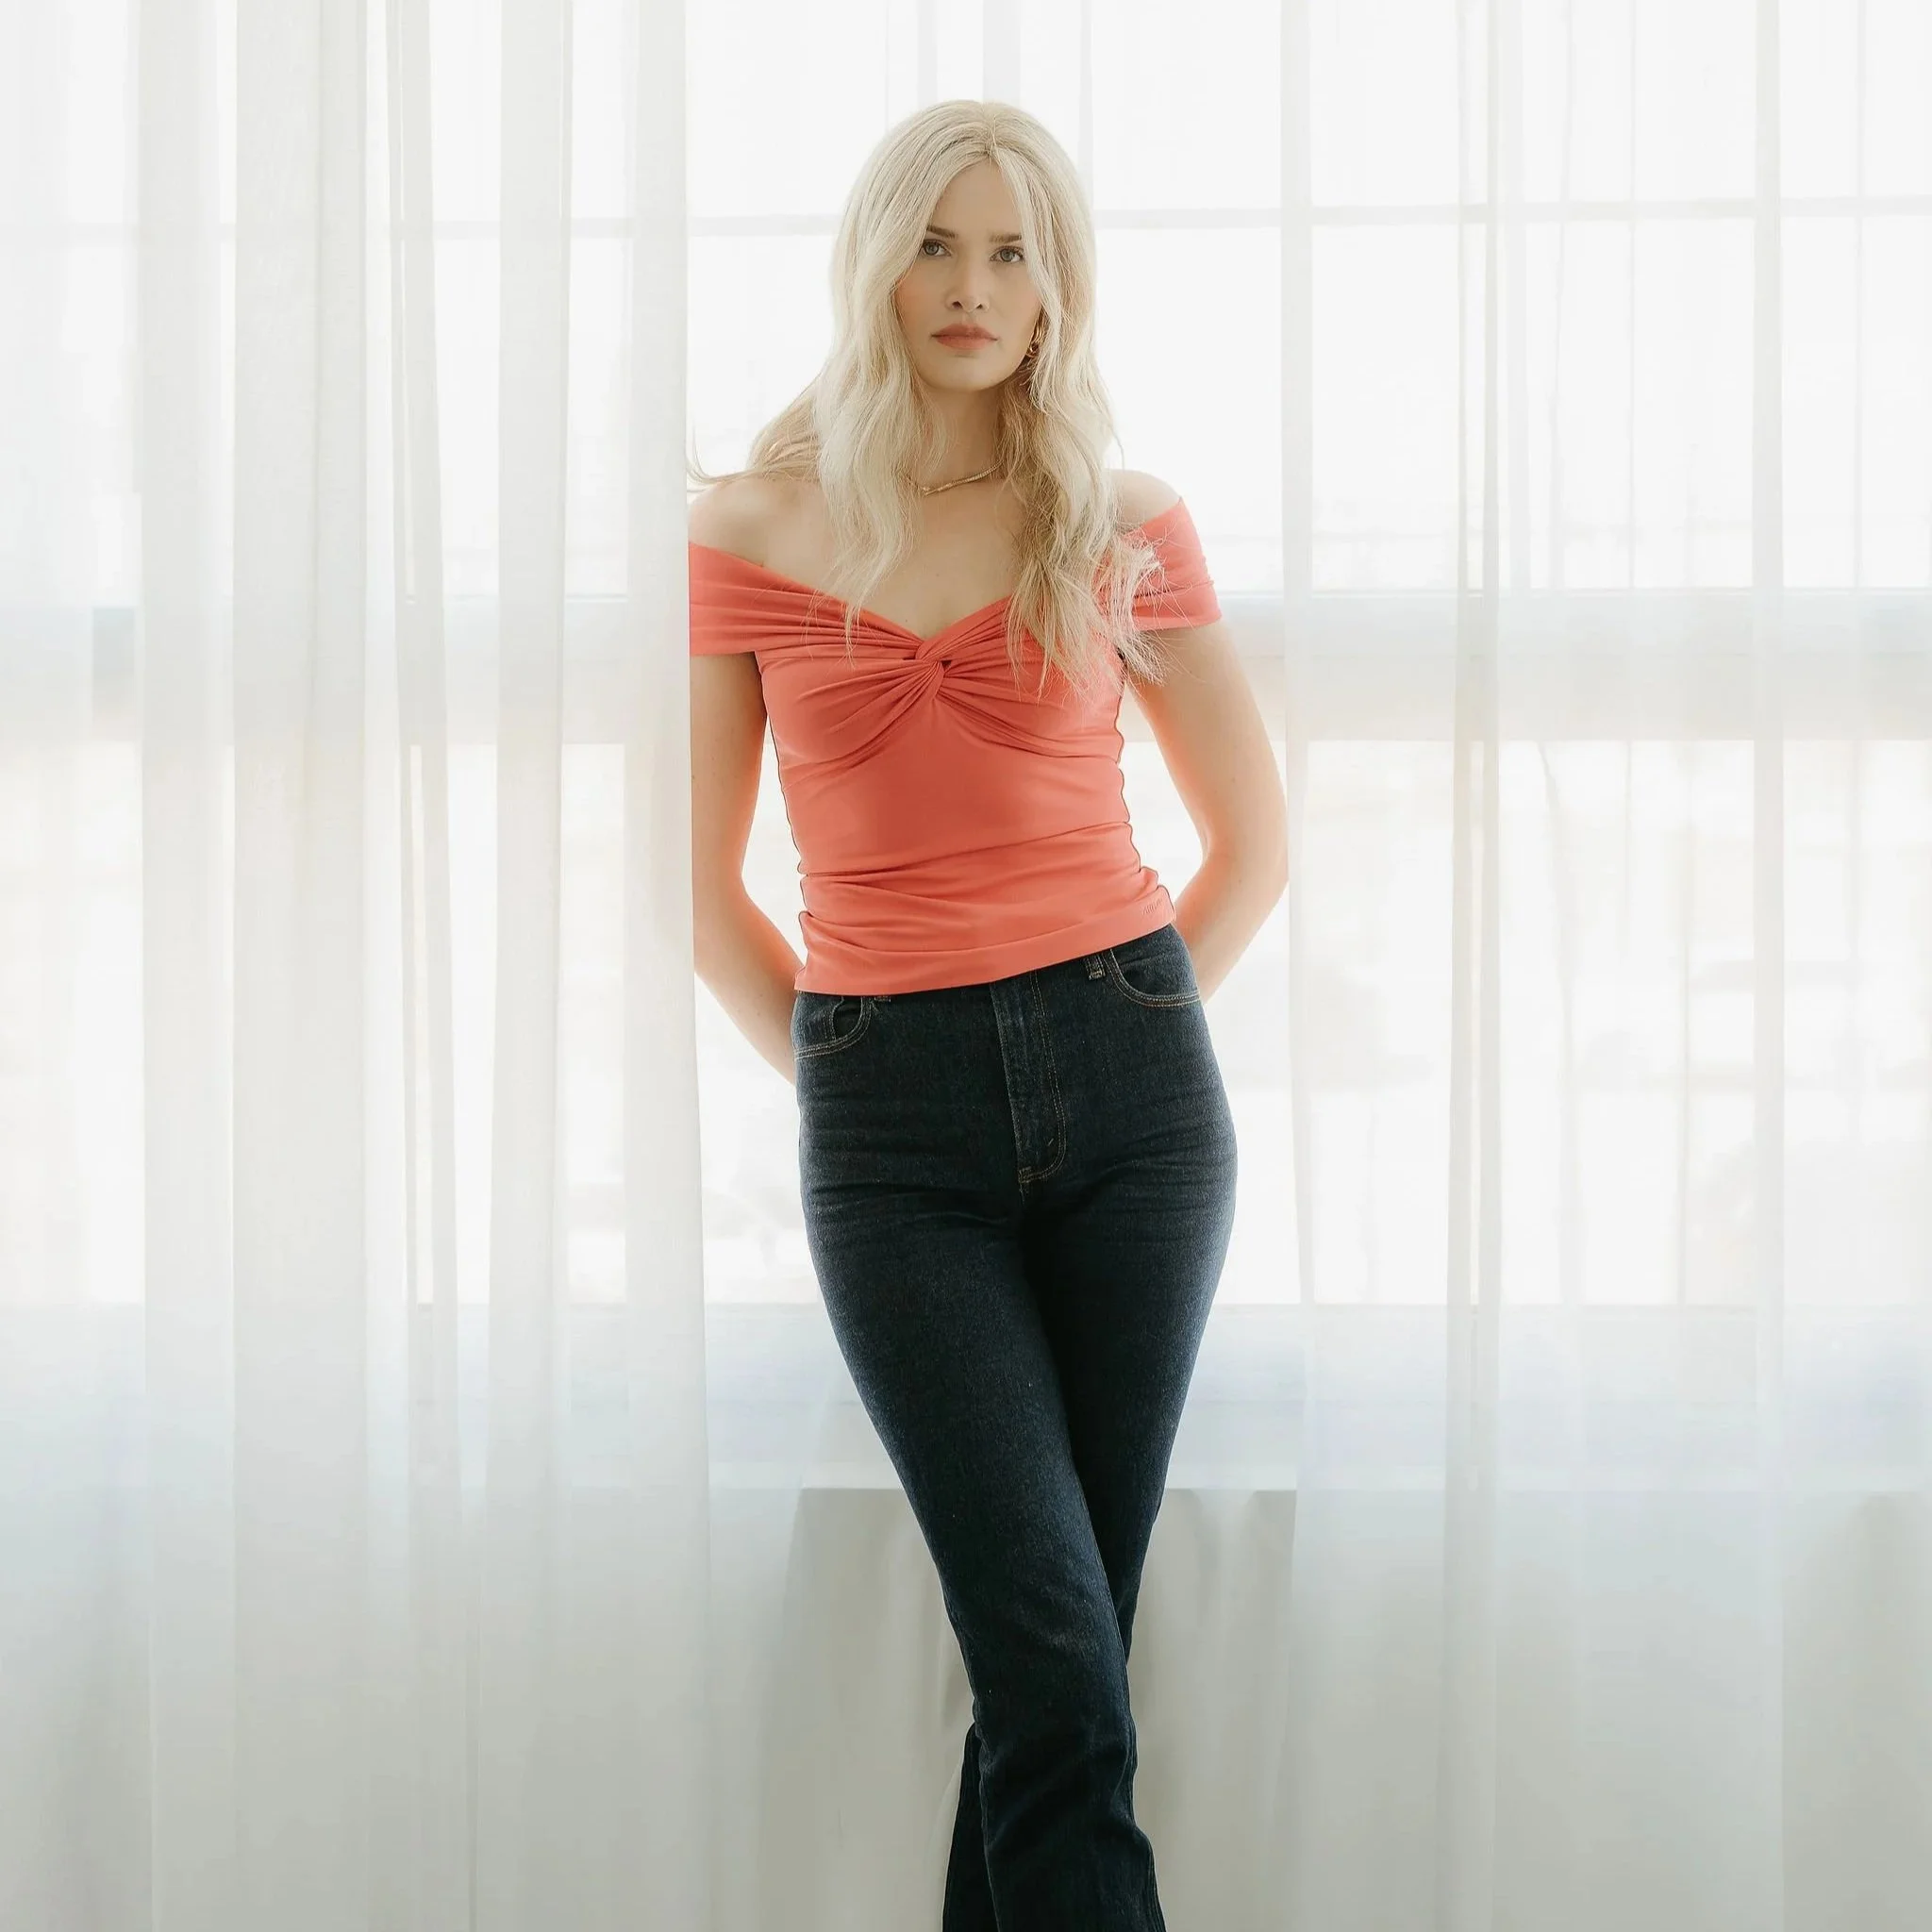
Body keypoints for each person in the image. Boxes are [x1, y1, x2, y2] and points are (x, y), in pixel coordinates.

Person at [687, 99, 1288, 1932]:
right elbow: (703, 898)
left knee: (1062, 1672)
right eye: (937, 244)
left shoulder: (1117, 522)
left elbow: (1249, 849)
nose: (973, 287)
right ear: (874, 262)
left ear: (1061, 289)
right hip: (891, 1127)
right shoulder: (749, 526)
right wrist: (868, 1084)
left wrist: (1118, 1026)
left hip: (1138, 1097)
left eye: (1014, 250)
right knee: (1049, 1656)